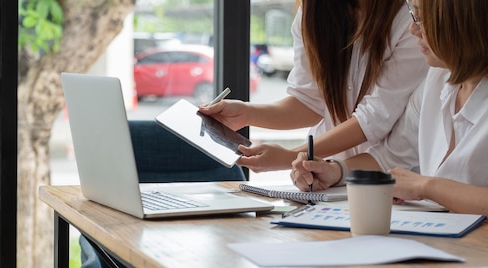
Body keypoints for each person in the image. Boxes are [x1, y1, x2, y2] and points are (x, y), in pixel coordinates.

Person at [291, 0, 488, 216]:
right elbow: (389, 157)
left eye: (421, 19)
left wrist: (426, 187)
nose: (413, 29)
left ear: (462, 24)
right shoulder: (438, 80)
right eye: (415, 17)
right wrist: (336, 171)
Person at [199, 0, 429, 173]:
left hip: (391, 180)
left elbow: (373, 119)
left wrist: (292, 156)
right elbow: (308, 102)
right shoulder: (313, 13)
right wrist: (246, 113)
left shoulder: (411, 19)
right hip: (326, 179)